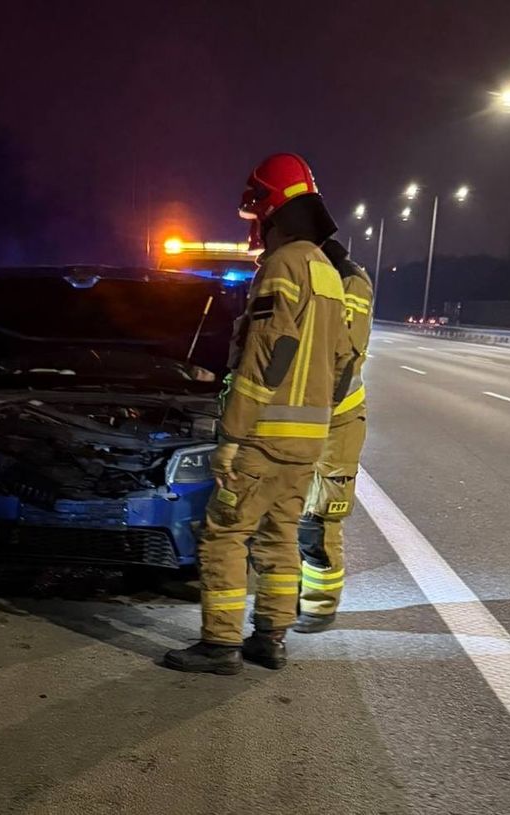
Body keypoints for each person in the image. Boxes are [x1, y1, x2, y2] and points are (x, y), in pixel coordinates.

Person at [164, 153, 354, 674]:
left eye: (255, 215)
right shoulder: (328, 272)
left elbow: (267, 356)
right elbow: (343, 361)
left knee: (225, 534)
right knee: (280, 536)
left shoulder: (283, 264)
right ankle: (270, 639)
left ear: (271, 206)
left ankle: (219, 644)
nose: (255, 228)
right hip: (306, 440)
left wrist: (231, 433)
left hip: (263, 437)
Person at [293, 237, 372, 632]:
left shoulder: (348, 280)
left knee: (316, 523)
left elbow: (341, 359)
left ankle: (320, 607)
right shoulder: (301, 272)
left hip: (335, 423)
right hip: (298, 420)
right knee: (283, 516)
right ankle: (285, 599)